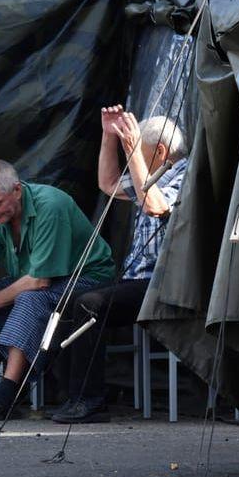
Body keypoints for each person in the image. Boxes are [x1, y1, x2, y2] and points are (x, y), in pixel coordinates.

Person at [0, 159, 117, 422]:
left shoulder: (51, 205)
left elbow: (39, 281)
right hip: (35, 281)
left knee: (29, 300)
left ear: (17, 190)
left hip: (86, 279)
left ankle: (7, 395)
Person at [52, 107, 187, 424]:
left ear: (160, 152)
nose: (131, 158)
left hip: (165, 284)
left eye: (137, 151)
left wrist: (133, 150)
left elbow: (156, 206)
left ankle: (90, 401)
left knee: (88, 304)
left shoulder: (186, 174)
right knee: (68, 299)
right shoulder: (152, 173)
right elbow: (108, 183)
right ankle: (71, 395)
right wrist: (108, 136)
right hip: (136, 280)